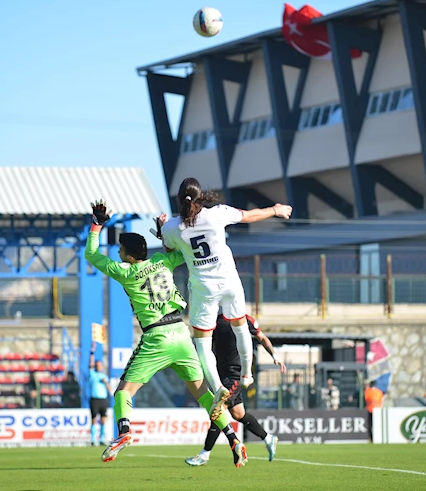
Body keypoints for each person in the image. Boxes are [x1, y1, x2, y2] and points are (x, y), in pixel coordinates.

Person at [84, 200, 248, 467]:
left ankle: (124, 432)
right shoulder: (162, 261)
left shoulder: (125, 271)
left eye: (121, 250)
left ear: (127, 255)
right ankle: (233, 440)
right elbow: (186, 251)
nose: (119, 254)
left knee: (123, 393)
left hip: (156, 337)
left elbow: (91, 255)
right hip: (181, 334)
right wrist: (165, 233)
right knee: (204, 394)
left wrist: (97, 224)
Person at [159, 177, 292, 418]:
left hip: (203, 289)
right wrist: (276, 209)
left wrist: (161, 227)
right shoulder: (217, 214)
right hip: (229, 281)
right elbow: (250, 216)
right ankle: (247, 375)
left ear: (179, 200)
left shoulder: (172, 227)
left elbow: (169, 248)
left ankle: (218, 388)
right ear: (201, 197)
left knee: (202, 342)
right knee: (240, 327)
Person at [185, 314, 286, 466]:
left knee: (218, 410)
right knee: (239, 414)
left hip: (236, 374)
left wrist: (275, 355)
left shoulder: (245, 319)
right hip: (220, 373)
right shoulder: (214, 320)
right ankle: (267, 438)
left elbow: (262, 337)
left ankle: (205, 454)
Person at [88, 341, 111, 446]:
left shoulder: (104, 377)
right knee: (94, 419)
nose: (98, 366)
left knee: (103, 420)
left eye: (100, 365)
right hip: (95, 399)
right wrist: (92, 351)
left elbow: (109, 389)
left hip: (103, 400)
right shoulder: (92, 374)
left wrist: (105, 383)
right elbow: (90, 364)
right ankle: (93, 439)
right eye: (97, 365)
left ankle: (102, 439)